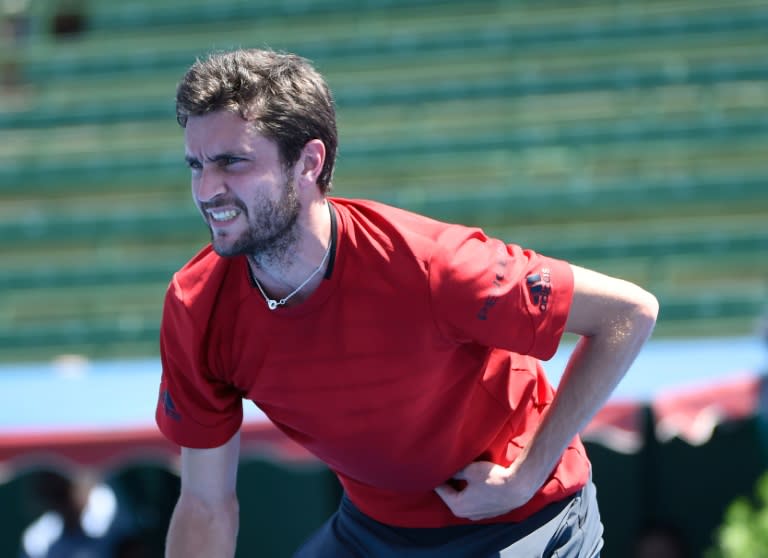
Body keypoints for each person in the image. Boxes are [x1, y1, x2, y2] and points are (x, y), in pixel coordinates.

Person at [155, 48, 659, 557]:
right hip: (374, 531)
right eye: (196, 165)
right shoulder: (196, 307)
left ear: (308, 162)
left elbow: (629, 313)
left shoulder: (437, 266)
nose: (206, 189)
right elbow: (204, 504)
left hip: (522, 520)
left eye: (232, 163)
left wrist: (526, 476)